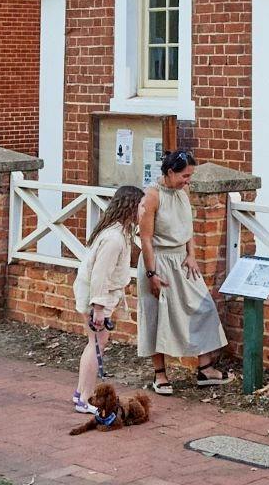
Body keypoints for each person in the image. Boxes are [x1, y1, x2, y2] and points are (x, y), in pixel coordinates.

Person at [137, 149, 232, 394]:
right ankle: (160, 375)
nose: (188, 180)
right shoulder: (151, 197)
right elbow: (146, 240)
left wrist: (191, 253)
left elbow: (187, 225)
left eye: (190, 175)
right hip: (158, 260)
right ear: (170, 172)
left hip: (181, 259)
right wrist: (151, 273)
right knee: (156, 316)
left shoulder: (183, 191)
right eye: (185, 176)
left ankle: (205, 368)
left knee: (203, 307)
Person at [72, 185, 145, 415]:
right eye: (141, 206)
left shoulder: (117, 231)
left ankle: (81, 392)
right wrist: (99, 308)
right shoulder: (114, 238)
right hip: (95, 297)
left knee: (96, 343)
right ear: (131, 207)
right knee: (96, 344)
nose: (144, 211)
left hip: (95, 295)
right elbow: (100, 275)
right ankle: (84, 397)